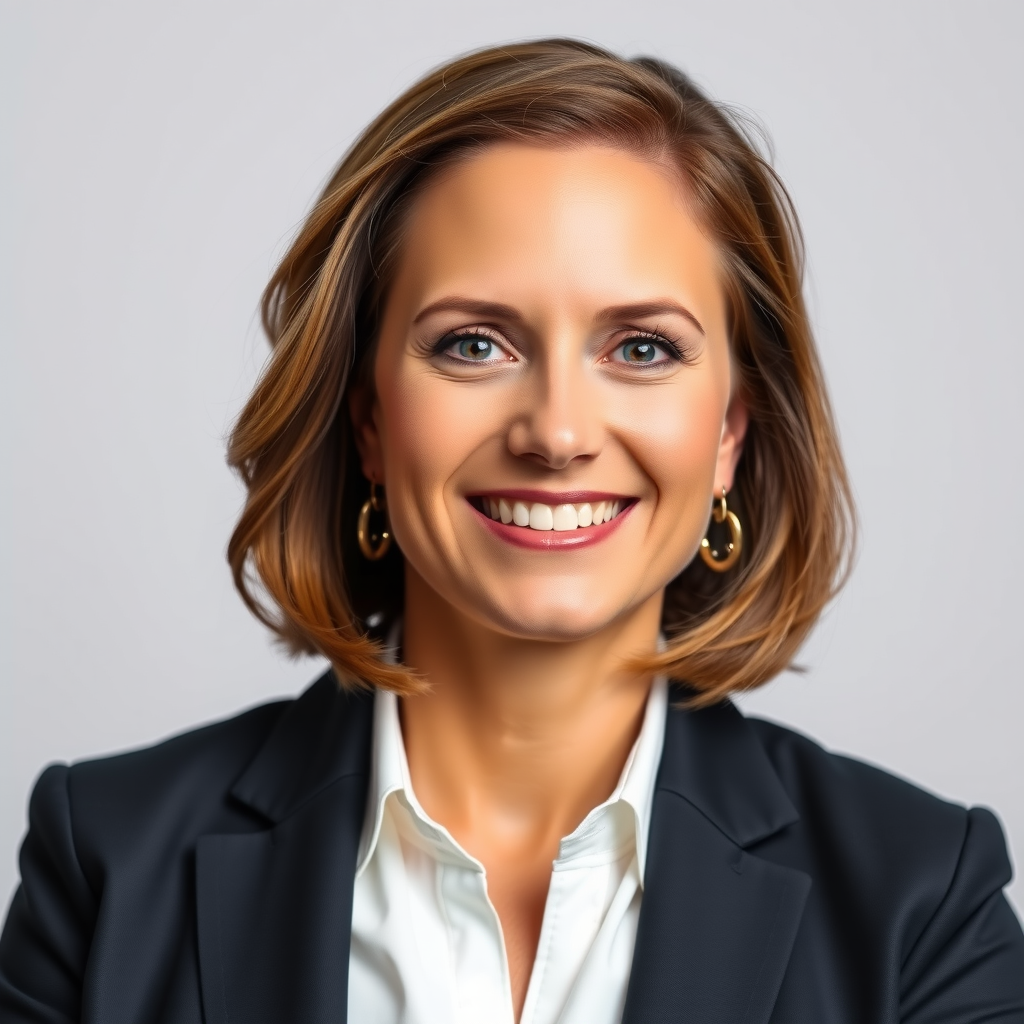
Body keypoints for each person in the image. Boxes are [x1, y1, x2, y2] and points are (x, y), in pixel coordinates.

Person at [1, 38, 1021, 1024]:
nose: (558, 434)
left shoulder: (924, 906)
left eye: (641, 348)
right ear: (369, 420)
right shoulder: (105, 865)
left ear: (728, 435)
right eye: (474, 344)